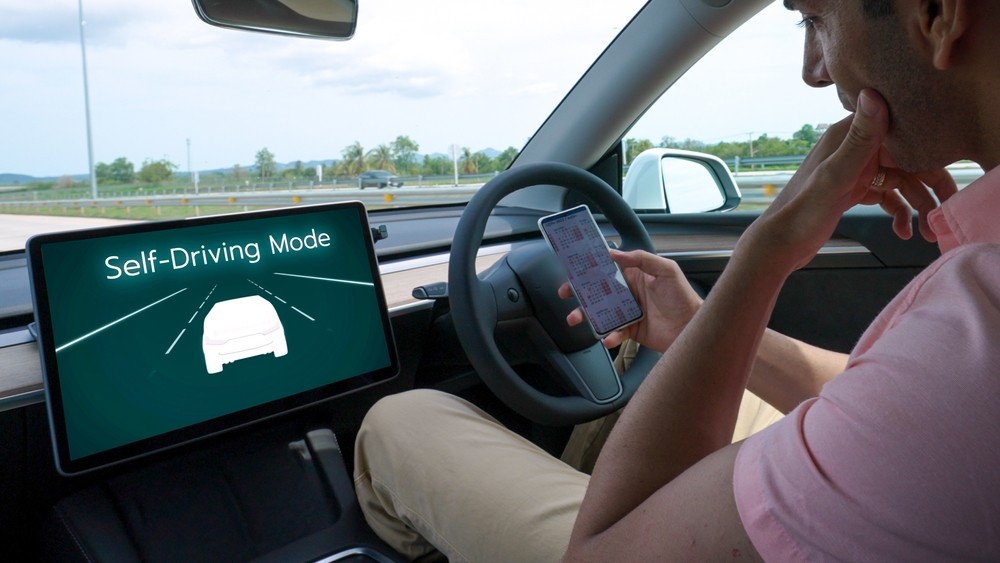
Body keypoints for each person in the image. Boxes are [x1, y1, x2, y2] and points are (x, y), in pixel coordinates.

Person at [353, 0, 1000, 560]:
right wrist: (697, 326)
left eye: (814, 19)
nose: (814, 69)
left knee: (401, 418)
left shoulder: (969, 349)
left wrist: (763, 251)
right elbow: (876, 392)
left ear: (937, 13)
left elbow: (600, 551)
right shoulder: (964, 332)